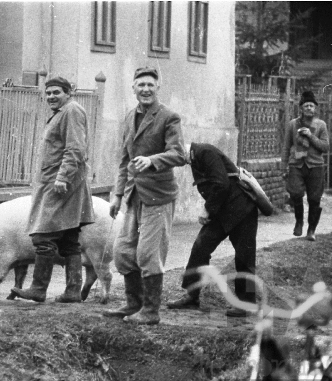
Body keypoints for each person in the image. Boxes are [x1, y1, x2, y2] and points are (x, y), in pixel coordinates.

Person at [102, 67, 186, 325]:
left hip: (158, 197)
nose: (146, 89)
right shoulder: (129, 117)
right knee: (124, 251)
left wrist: (151, 160)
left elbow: (179, 154)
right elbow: (124, 160)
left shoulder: (169, 117)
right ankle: (133, 303)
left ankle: (151, 311)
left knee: (149, 254)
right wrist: (117, 195)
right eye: (141, 85)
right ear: (134, 88)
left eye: (150, 84)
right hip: (133, 195)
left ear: (158, 87)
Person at [11, 76, 94, 303]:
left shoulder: (71, 111)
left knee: (42, 236)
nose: (51, 97)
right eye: (47, 93)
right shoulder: (61, 113)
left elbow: (75, 148)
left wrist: (62, 177)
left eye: (56, 92)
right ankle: (73, 291)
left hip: (61, 185)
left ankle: (39, 288)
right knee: (69, 239)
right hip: (58, 183)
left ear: (68, 93)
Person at [166, 143, 258, 317]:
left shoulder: (205, 152)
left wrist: (207, 208)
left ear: (181, 149)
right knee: (200, 248)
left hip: (241, 209)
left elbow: (221, 183)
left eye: (176, 158)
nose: (177, 163)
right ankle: (192, 296)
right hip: (221, 210)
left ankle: (246, 303)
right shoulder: (194, 159)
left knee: (244, 256)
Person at [282, 91, 329, 242]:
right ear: (301, 108)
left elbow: (326, 147)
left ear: (315, 109)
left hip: (315, 166)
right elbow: (286, 147)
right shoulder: (293, 124)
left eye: (311, 106)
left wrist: (310, 136)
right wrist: (283, 167)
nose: (309, 108)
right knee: (295, 193)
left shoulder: (321, 125)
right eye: (306, 105)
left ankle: (311, 230)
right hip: (296, 164)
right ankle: (299, 222)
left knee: (314, 199)